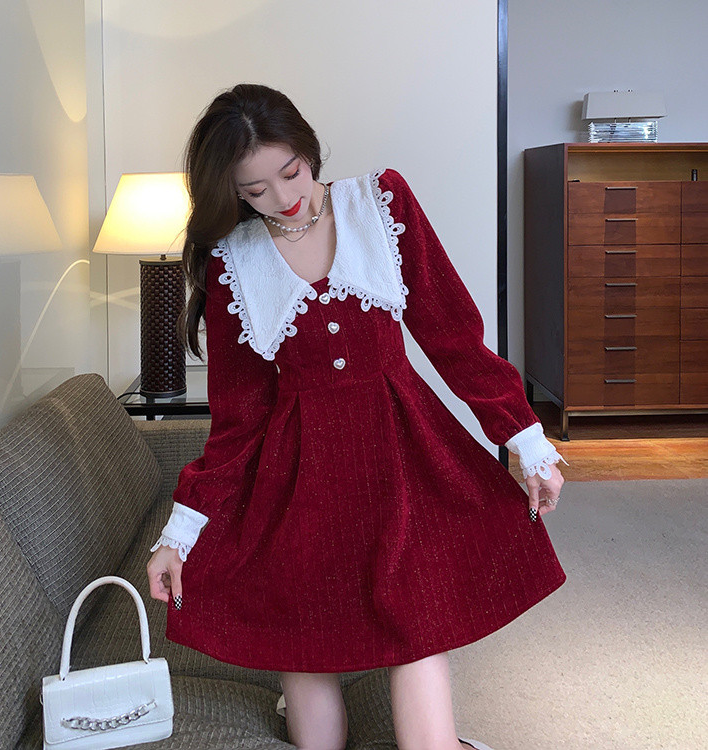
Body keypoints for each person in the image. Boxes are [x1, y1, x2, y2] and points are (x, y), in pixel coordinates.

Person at [146, 83, 568, 750]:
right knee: (303, 633)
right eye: (255, 190)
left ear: (308, 149)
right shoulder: (234, 263)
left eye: (291, 172)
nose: (283, 197)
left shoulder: (382, 203)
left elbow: (452, 336)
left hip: (403, 450)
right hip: (299, 476)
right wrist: (181, 532)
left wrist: (527, 441)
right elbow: (237, 421)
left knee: (416, 622)